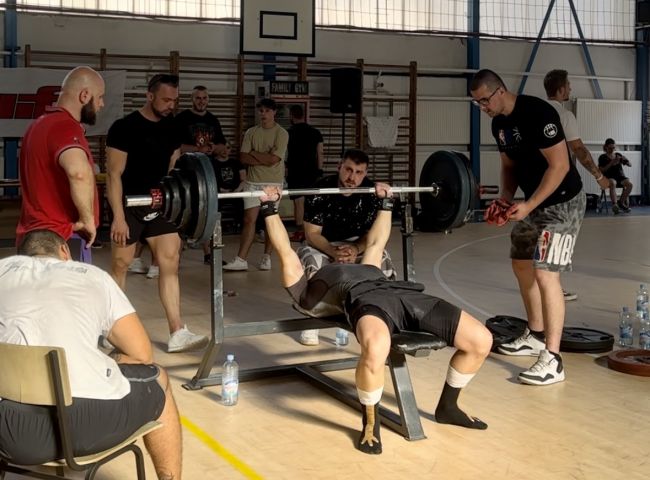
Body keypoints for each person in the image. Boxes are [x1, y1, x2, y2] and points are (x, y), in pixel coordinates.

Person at [259, 186, 492, 455]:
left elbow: (376, 243)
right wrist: (269, 207)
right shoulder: (306, 289)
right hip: (365, 301)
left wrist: (386, 203)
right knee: (377, 347)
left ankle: (448, 407)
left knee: (481, 340)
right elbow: (284, 249)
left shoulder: (367, 266)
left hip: (401, 294)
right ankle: (371, 422)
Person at [0, 230, 183, 480]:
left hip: (8, 431)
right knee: (158, 376)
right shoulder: (93, 276)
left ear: (22, 257)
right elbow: (141, 354)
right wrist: (103, 358)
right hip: (79, 427)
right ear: (64, 251)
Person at [470, 69, 585, 386]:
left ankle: (553, 359)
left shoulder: (538, 112)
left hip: (563, 203)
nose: (482, 108)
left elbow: (560, 165)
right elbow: (509, 165)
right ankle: (535, 334)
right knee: (521, 263)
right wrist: (506, 199)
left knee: (546, 273)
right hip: (534, 201)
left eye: (483, 101)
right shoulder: (499, 125)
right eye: (476, 103)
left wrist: (529, 205)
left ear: (499, 92)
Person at [106, 73, 208, 353]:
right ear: (149, 96)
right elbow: (114, 175)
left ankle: (177, 332)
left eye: (174, 100)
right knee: (120, 265)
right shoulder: (124, 127)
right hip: (128, 205)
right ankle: (110, 327)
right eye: (165, 99)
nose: (170, 105)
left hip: (160, 202)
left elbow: (173, 161)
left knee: (170, 262)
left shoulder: (173, 126)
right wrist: (117, 216)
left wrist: (171, 198)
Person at [297, 148, 395, 346]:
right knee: (313, 262)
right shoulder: (321, 189)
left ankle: (377, 321)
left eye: (359, 173)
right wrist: (333, 252)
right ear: (339, 167)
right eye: (348, 170)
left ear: (365, 173)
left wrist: (355, 250)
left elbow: (374, 236)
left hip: (357, 244)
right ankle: (312, 320)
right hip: (323, 244)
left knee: (383, 261)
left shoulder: (373, 193)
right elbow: (312, 234)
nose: (352, 177)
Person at [16, 66, 105, 250]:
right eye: (100, 97)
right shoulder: (65, 126)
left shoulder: (38, 125)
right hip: (61, 238)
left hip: (32, 237)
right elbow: (79, 173)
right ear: (85, 95)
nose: (101, 104)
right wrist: (87, 220)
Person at [543, 69, 609, 302]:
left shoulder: (537, 111)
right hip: (562, 187)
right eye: (568, 85)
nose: (570, 89)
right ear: (561, 89)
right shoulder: (564, 115)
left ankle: (544, 283)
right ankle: (553, 288)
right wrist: (599, 176)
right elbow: (579, 150)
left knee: (545, 235)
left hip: (540, 185)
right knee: (559, 239)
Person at [175, 85, 244, 263]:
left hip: (208, 173)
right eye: (198, 98)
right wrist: (199, 149)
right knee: (185, 214)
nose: (201, 101)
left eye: (204, 98)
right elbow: (178, 146)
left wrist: (212, 148)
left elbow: (222, 145)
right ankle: (174, 257)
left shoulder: (213, 119)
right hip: (187, 174)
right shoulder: (182, 118)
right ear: (192, 99)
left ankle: (209, 255)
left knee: (210, 214)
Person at [223, 98, 288, 272]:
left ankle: (267, 256)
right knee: (248, 219)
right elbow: (243, 157)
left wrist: (255, 154)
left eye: (267, 111)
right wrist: (264, 157)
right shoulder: (251, 132)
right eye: (261, 111)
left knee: (270, 221)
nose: (263, 114)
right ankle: (241, 258)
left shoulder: (281, 133)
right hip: (252, 182)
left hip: (272, 183)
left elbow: (274, 160)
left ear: (274, 112)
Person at [285, 104, 324, 243]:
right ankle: (312, 232)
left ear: (291, 116)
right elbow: (320, 152)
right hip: (312, 171)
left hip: (295, 171)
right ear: (303, 115)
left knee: (299, 203)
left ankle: (300, 231)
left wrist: (285, 170)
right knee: (311, 202)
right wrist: (320, 170)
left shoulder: (288, 133)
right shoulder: (315, 132)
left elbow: (285, 154)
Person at [598, 138, 633, 214]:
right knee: (613, 182)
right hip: (609, 177)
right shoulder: (602, 157)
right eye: (610, 148)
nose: (612, 149)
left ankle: (621, 202)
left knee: (629, 184)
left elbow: (630, 165)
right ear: (606, 147)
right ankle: (615, 205)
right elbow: (602, 170)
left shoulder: (618, 155)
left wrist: (626, 160)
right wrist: (612, 162)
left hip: (620, 177)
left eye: (613, 148)